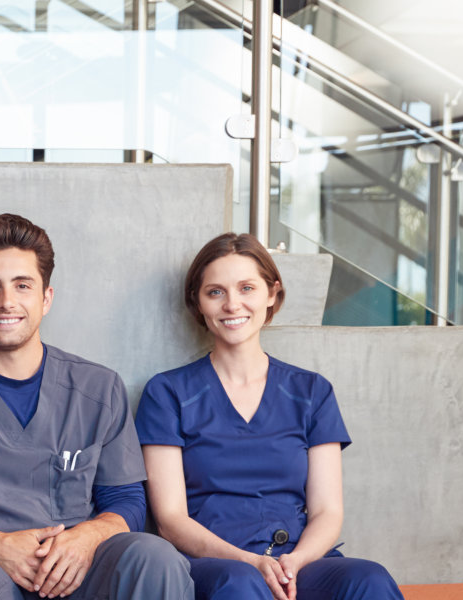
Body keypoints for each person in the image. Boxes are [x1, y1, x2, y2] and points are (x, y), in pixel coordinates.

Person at [0, 214, 193, 600]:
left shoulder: (98, 388)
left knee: (153, 556)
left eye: (22, 285)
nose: (7, 302)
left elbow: (125, 501)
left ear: (46, 298)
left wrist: (87, 536)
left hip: (79, 574)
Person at [136, 233, 403, 600]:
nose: (233, 304)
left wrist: (294, 562)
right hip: (214, 566)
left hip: (297, 561)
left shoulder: (312, 392)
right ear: (198, 303)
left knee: (369, 579)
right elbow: (171, 521)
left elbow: (327, 510)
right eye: (215, 292)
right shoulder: (167, 393)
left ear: (272, 294)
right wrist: (250, 561)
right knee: (241, 584)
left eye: (247, 288)